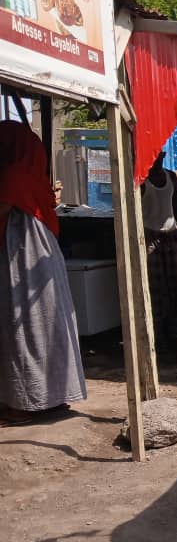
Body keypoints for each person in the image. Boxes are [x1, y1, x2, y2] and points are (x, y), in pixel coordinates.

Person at [0, 120, 86, 425]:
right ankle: (55, 395)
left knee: (22, 326)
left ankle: (25, 404)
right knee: (49, 325)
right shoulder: (35, 176)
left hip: (23, 257)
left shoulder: (13, 175)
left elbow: (3, 210)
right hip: (44, 257)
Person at [141, 151, 177, 350]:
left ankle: (175, 330)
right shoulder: (142, 181)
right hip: (150, 235)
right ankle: (157, 334)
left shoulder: (171, 177)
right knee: (155, 288)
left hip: (172, 235)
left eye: (159, 157)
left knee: (176, 285)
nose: (157, 160)